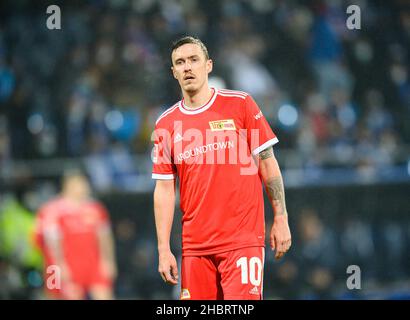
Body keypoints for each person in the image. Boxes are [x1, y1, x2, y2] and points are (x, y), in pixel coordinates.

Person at [152, 36, 291, 300]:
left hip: (242, 241)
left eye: (194, 60)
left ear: (209, 66)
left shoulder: (240, 104)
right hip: (195, 248)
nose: (187, 67)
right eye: (180, 63)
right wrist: (163, 248)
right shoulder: (165, 124)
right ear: (173, 72)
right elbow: (164, 189)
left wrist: (281, 217)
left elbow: (267, 161)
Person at [34, 171, 117, 300]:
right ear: (69, 185)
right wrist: (59, 265)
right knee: (56, 295)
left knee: (104, 294)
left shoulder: (95, 208)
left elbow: (104, 236)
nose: (85, 187)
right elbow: (48, 242)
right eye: (81, 184)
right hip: (60, 265)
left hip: (91, 263)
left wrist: (108, 261)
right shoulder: (52, 210)